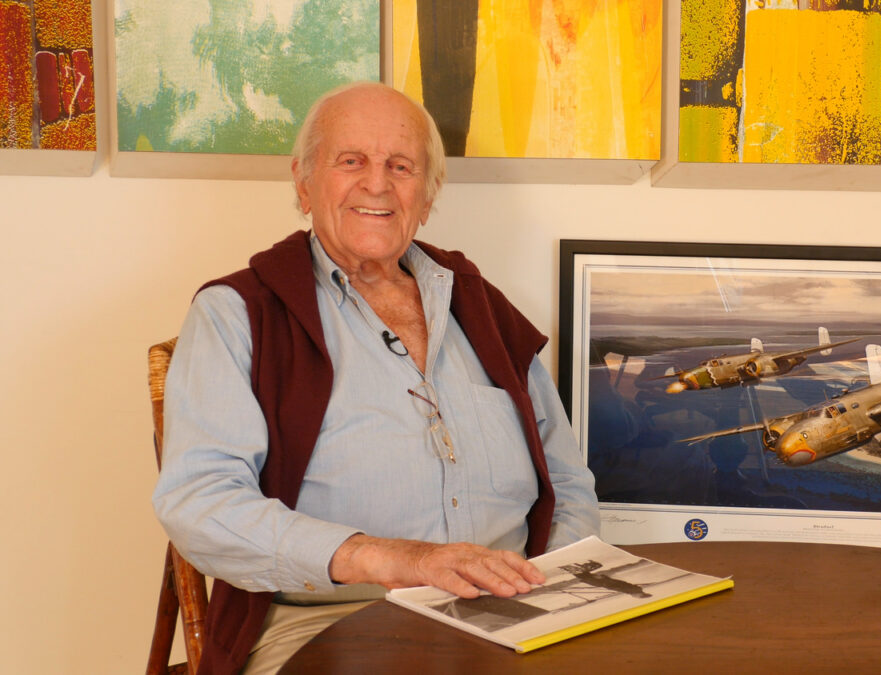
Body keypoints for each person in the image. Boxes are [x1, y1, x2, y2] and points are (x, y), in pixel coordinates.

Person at [152, 82, 600, 674]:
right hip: (330, 620)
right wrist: (387, 558)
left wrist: (553, 587)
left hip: (514, 612)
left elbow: (567, 481)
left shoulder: (481, 307)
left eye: (401, 166)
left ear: (428, 194)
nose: (377, 184)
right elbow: (201, 503)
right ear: (303, 182)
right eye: (351, 161)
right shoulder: (238, 313)